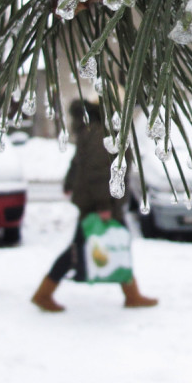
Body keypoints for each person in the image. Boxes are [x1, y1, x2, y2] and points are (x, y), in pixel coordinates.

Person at [30, 99, 157, 311]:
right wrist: (103, 206)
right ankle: (44, 293)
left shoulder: (93, 129)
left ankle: (131, 293)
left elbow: (79, 161)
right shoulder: (101, 133)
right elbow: (99, 172)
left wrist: (70, 182)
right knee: (96, 245)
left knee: (99, 244)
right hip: (101, 202)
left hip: (96, 200)